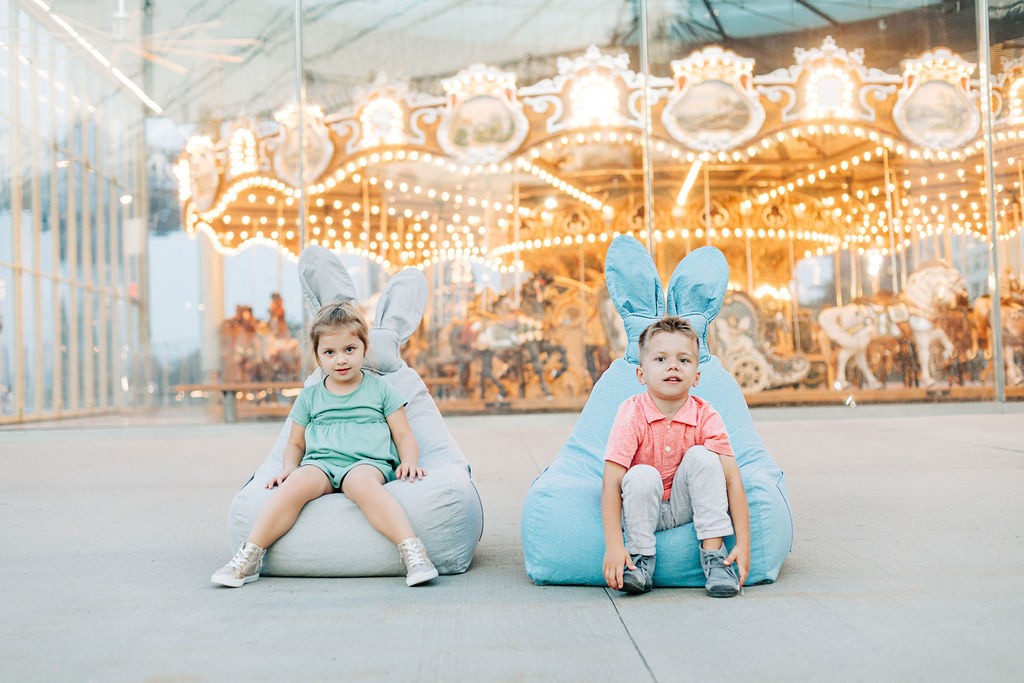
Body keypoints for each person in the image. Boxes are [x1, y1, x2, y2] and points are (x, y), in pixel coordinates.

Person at [211, 301, 438, 588]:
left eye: (349, 350)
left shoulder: (381, 389)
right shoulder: (310, 396)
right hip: (320, 463)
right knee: (295, 486)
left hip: (366, 462)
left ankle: (413, 552)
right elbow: (295, 443)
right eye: (330, 352)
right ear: (318, 356)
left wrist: (409, 461)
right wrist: (289, 468)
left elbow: (403, 434)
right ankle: (249, 556)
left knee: (361, 485)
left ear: (363, 348)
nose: (340, 360)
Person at [601, 317, 750, 597]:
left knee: (703, 457)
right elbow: (611, 481)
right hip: (643, 507)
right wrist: (613, 546)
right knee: (641, 474)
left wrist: (744, 544)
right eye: (660, 359)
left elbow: (733, 479)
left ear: (696, 376)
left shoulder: (706, 414)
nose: (672, 366)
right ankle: (640, 560)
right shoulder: (631, 413)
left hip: (686, 505)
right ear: (641, 374)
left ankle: (715, 557)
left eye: (684, 360)